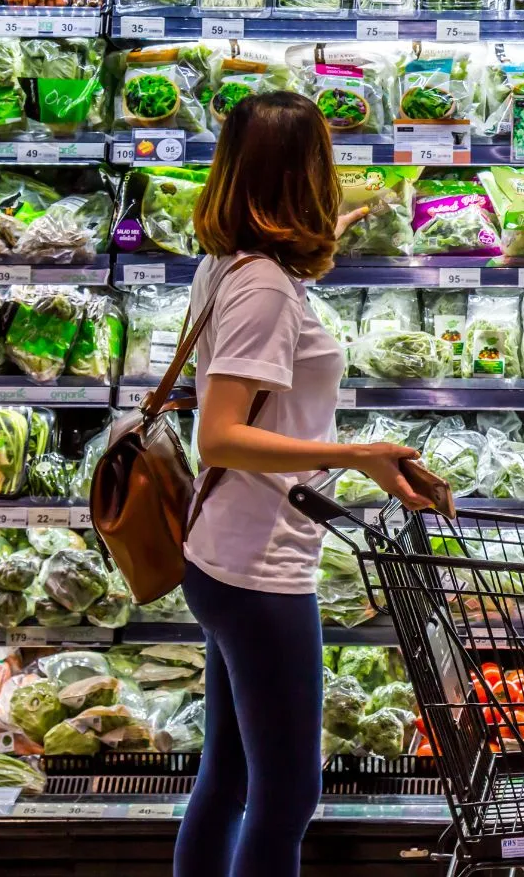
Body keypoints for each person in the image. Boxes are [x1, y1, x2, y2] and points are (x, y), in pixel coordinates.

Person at [173, 91, 428, 877]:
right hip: (259, 571)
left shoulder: (237, 261)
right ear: (302, 176)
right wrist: (351, 455)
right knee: (285, 799)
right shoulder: (264, 291)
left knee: (228, 777)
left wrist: (350, 217)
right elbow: (219, 432)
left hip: (222, 554)